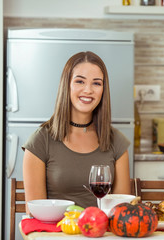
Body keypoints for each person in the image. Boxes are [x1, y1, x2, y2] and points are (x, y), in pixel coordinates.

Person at [22, 51, 131, 210]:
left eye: (96, 83)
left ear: (103, 90)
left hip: (102, 234)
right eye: (80, 81)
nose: (88, 90)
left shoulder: (117, 141)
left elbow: (121, 210)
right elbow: (36, 214)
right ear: (67, 85)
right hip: (59, 234)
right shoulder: (40, 141)